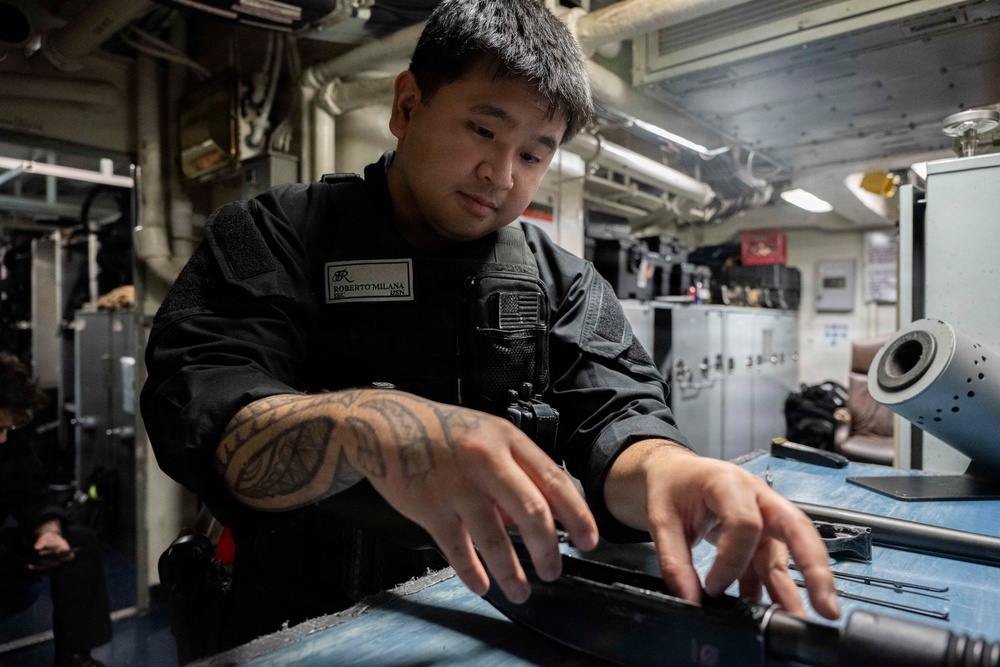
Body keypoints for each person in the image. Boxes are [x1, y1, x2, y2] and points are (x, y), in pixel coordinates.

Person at [141, 0, 839, 652]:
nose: (501, 173)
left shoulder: (559, 283)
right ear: (407, 106)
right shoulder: (272, 237)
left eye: (534, 154)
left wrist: (674, 471)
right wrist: (370, 425)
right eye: (484, 129)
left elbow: (618, 417)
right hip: (299, 630)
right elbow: (205, 419)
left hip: (493, 625)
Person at [0, 352, 112, 667]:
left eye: (8, 428)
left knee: (80, 542)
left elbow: (31, 493)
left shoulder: (9, 443)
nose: (3, 438)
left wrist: (48, 532)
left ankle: (74, 657)